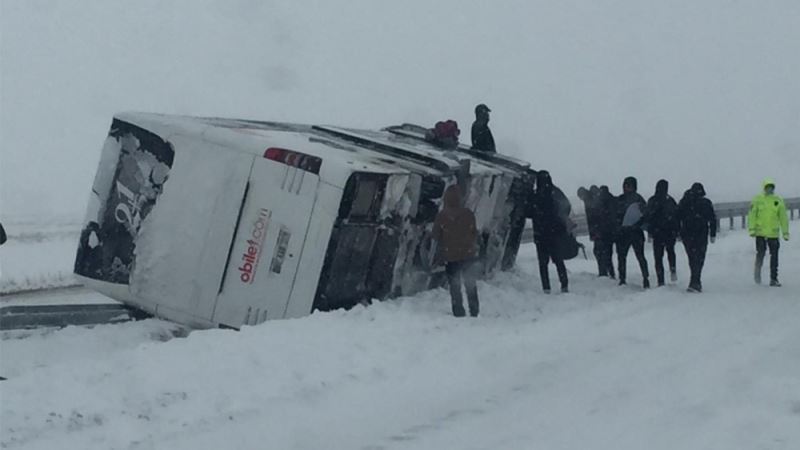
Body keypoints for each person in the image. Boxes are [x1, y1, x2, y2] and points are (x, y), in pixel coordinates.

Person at [432, 185, 480, 317]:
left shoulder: (442, 215)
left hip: (451, 256)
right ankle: (474, 309)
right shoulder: (468, 214)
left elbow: (435, 235)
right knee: (470, 283)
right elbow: (474, 233)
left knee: (454, 285)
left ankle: (458, 310)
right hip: (468, 254)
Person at [530, 170, 571, 293]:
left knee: (543, 264)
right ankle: (564, 285)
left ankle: (546, 288)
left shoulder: (535, 196)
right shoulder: (555, 192)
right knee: (558, 261)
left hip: (540, 234)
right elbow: (567, 206)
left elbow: (528, 211)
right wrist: (560, 218)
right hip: (555, 233)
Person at [747, 178, 790, 286]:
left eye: (771, 187)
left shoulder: (778, 200)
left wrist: (785, 232)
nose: (769, 189)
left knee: (774, 256)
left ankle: (773, 278)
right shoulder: (757, 199)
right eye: (767, 187)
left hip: (773, 233)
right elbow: (752, 215)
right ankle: (757, 275)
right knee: (760, 254)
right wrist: (751, 229)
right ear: (764, 188)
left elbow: (783, 217)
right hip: (760, 233)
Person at [677, 182, 717, 293]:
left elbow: (677, 217)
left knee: (692, 257)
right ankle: (696, 280)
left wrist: (678, 232)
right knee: (699, 257)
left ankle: (694, 280)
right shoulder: (705, 202)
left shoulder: (684, 201)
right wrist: (713, 234)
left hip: (687, 233)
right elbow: (712, 219)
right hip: (701, 233)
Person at [616, 176, 650, 288]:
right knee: (621, 257)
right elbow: (614, 215)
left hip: (635, 232)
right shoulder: (620, 199)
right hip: (624, 232)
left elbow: (646, 215)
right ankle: (622, 279)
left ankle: (646, 278)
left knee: (640, 256)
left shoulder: (639, 199)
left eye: (629, 185)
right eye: (625, 185)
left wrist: (637, 225)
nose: (626, 187)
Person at [645, 179, 679, 286]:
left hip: (657, 232)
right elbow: (676, 216)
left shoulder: (652, 200)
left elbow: (648, 217)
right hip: (669, 232)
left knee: (658, 256)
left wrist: (650, 231)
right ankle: (673, 269)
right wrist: (677, 230)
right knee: (671, 252)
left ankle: (661, 280)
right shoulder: (670, 200)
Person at [578, 186, 603, 276]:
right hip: (600, 230)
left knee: (599, 251)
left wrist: (594, 233)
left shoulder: (589, 200)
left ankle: (603, 272)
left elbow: (592, 219)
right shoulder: (592, 198)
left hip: (598, 231)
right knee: (601, 251)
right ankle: (606, 272)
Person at [595, 185, 618, 278]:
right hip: (612, 232)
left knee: (602, 253)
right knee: (608, 254)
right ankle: (611, 272)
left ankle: (605, 273)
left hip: (604, 232)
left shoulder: (600, 202)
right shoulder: (613, 200)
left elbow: (599, 218)